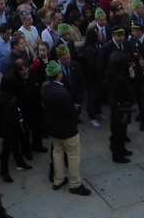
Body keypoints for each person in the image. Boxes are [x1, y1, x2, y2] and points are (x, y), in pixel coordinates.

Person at [40, 60, 91, 196]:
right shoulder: (62, 91)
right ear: (59, 74)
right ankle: (75, 183)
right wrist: (75, 111)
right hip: (67, 129)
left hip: (53, 128)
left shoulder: (44, 86)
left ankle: (58, 179)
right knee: (73, 155)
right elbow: (71, 111)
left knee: (57, 153)